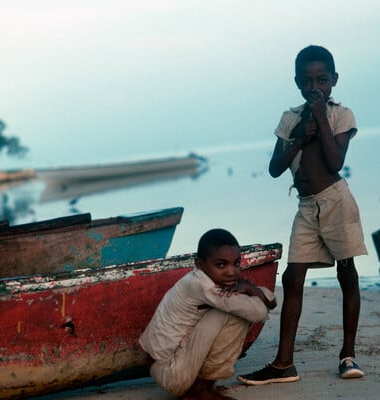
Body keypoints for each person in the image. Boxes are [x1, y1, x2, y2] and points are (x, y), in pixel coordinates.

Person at [237, 45, 367, 385]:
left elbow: (335, 162)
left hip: (337, 201)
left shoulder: (341, 115)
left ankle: (347, 355)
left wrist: (321, 117)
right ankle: (284, 363)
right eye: (307, 80)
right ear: (297, 82)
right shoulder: (289, 119)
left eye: (322, 80)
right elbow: (275, 168)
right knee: (292, 277)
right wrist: (297, 137)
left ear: (334, 80)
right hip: (307, 207)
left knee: (347, 272)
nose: (315, 87)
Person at [139, 228, 277, 399]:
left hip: (172, 366)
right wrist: (250, 290)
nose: (231, 271)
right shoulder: (201, 285)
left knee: (235, 309)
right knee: (235, 314)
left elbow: (271, 301)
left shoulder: (215, 279)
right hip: (170, 372)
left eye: (236, 263)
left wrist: (248, 288)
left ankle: (200, 387)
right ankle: (199, 390)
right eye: (221, 265)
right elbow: (260, 312)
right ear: (200, 265)